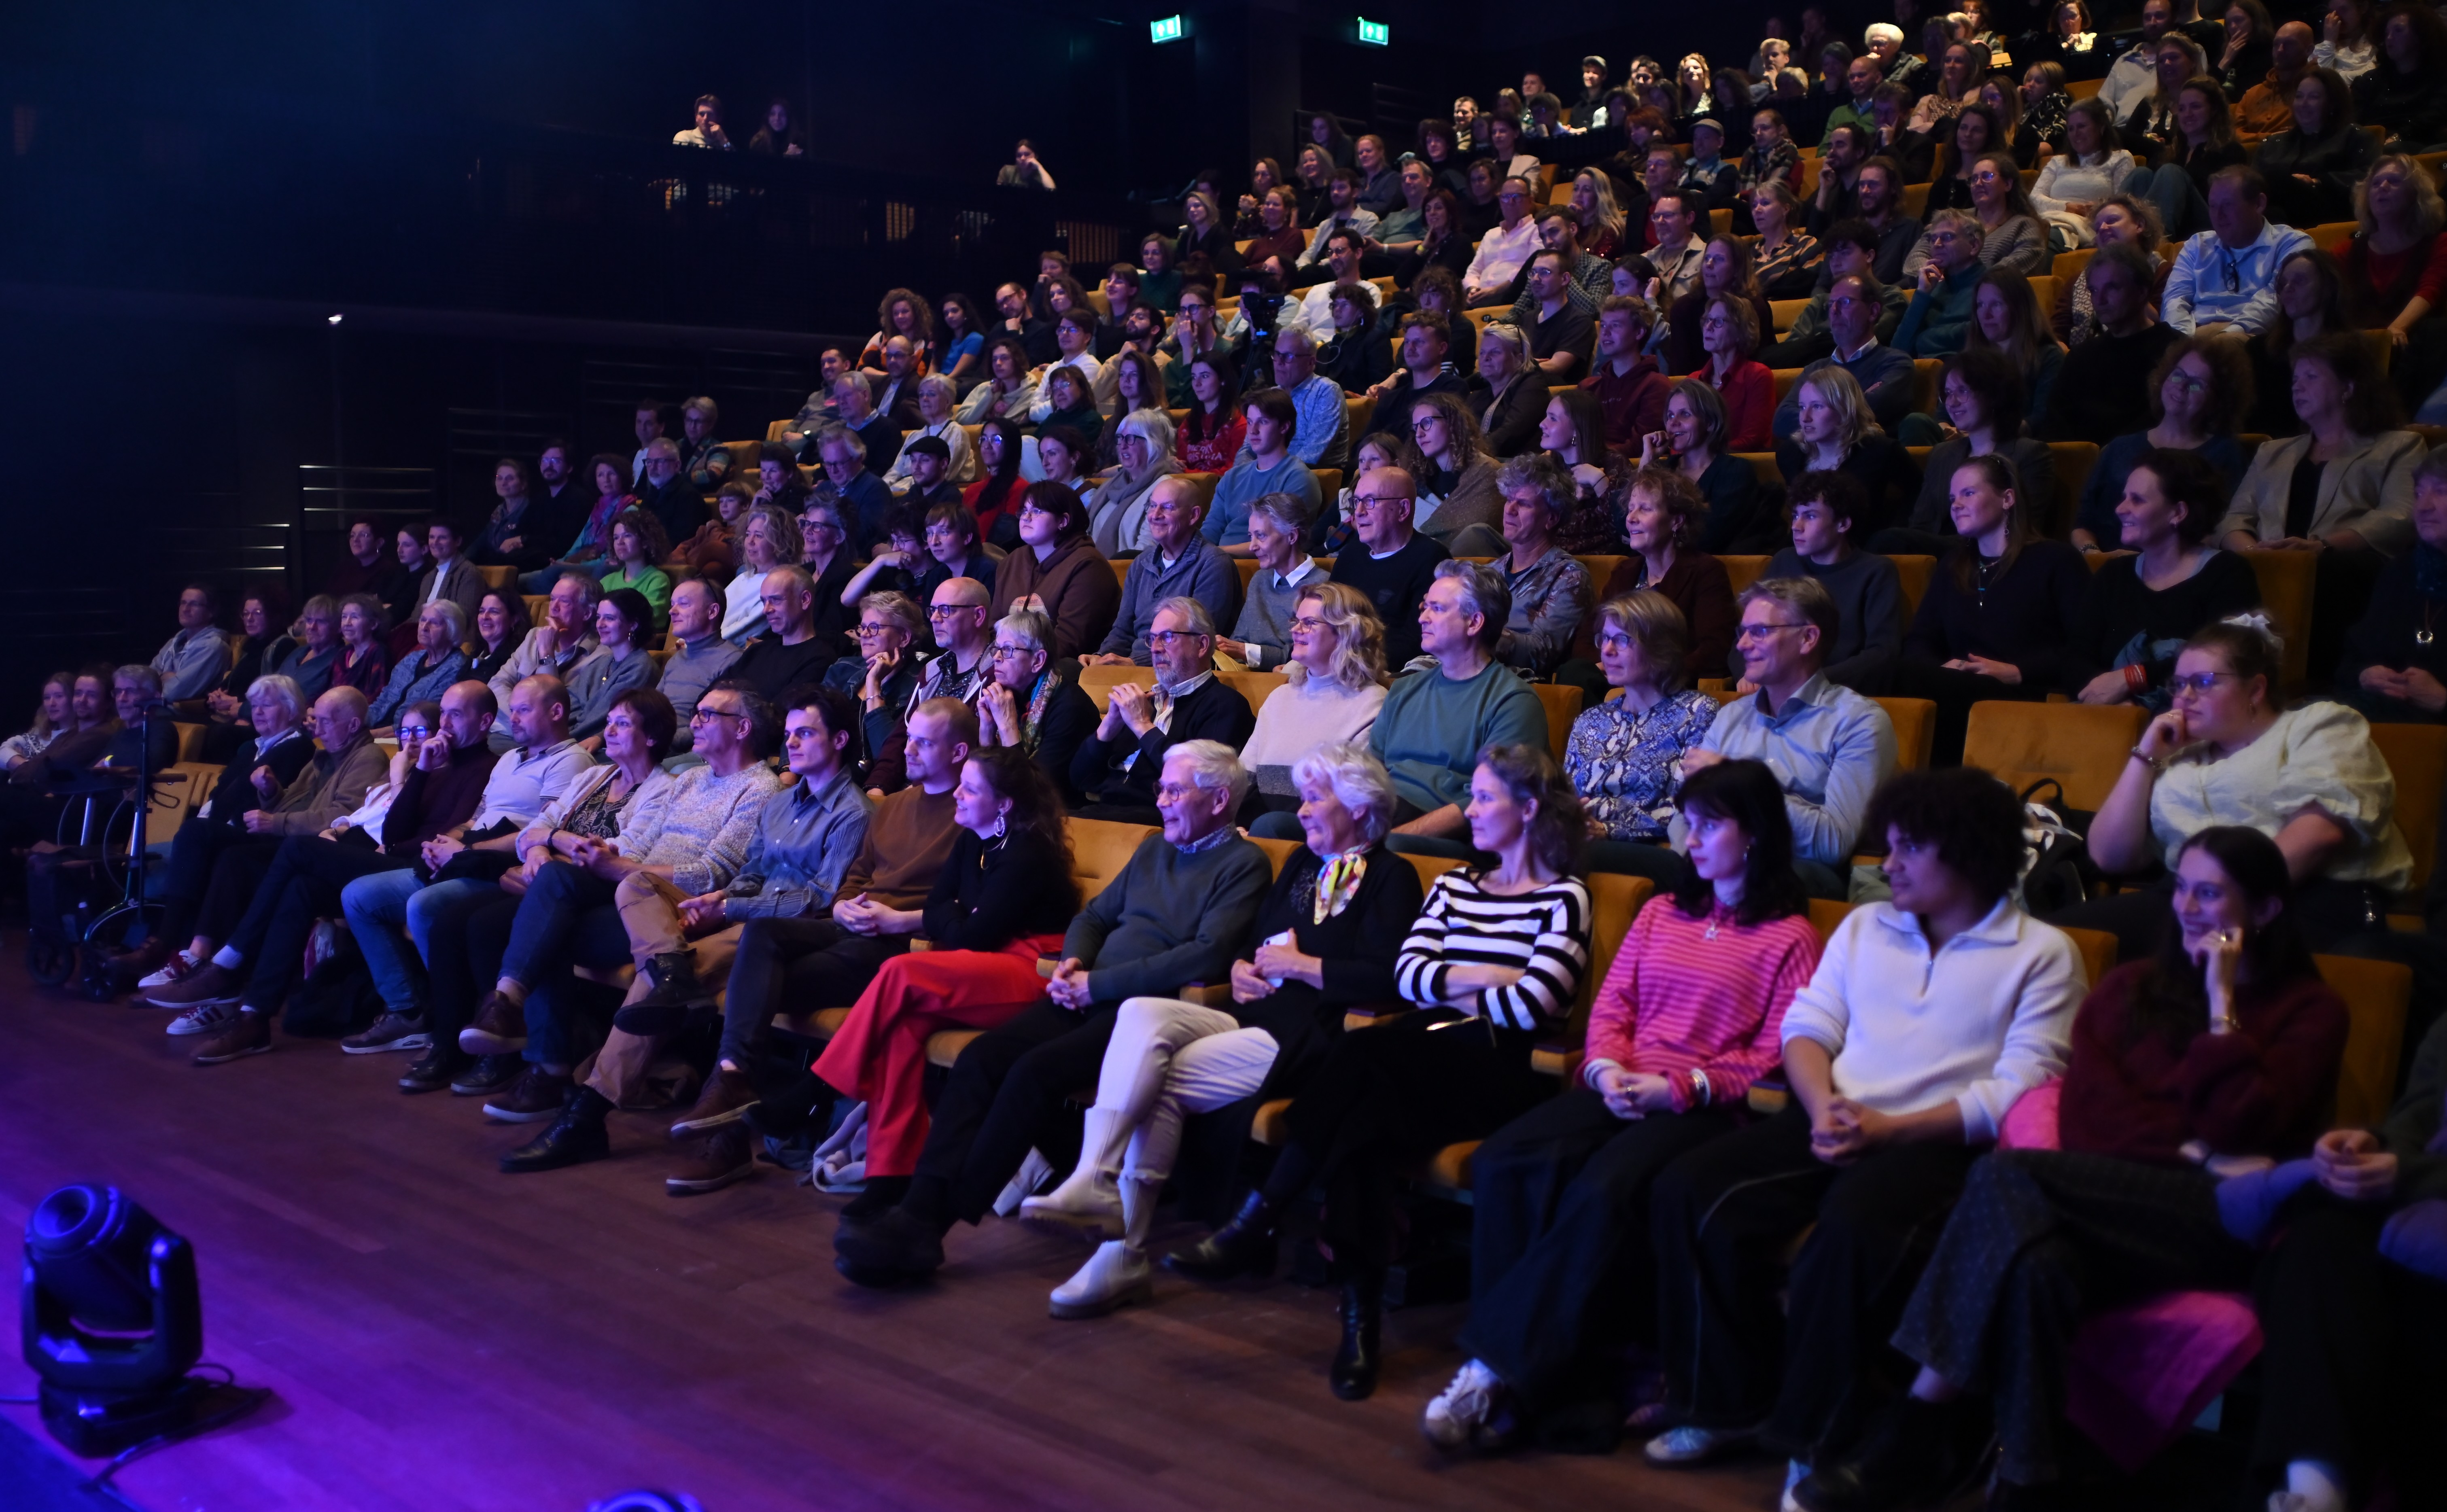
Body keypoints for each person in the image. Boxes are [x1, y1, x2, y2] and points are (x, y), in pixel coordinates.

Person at [1793, 823, 2344, 1510]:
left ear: (2264, 909)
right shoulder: (2129, 991)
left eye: (2210, 893)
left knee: (2003, 1175)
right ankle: (2026, 1483)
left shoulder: (2312, 1012)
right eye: (2181, 888)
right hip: (2108, 1205)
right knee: (2035, 1264)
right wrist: (2197, 1152)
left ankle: (1916, 1426)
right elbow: (2091, 1126)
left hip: (2222, 1225)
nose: (2187, 907)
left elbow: (2241, 1120)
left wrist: (2220, 1008)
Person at [1644, 767, 2082, 1486]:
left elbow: (2022, 1090)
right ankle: (1725, 1401)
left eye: (1909, 848)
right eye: (1889, 845)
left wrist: (1889, 1129)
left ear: (1968, 852)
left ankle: (1814, 1439)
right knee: (1688, 1189)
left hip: (1941, 1146)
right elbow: (1807, 1026)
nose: (1888, 863)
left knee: (1848, 1232)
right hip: (1835, 1113)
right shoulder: (1866, 926)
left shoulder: (2041, 953)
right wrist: (1823, 1107)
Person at [1422, 758, 1822, 1451]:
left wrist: (1684, 1087)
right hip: (1622, 1083)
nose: (1690, 840)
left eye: (1708, 826)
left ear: (1754, 833)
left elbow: (1773, 1052)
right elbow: (1614, 1006)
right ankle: (1551, 1385)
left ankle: (1491, 1373)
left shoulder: (1788, 935)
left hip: (1700, 1108)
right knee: (1506, 1158)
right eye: (1686, 824)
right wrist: (1605, 1065)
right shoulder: (1662, 910)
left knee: (1605, 1187)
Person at [1175, 743, 1594, 1400]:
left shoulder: (1564, 897)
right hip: (1418, 1056)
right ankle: (1357, 1319)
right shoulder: (1455, 884)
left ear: (1530, 808)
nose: (1470, 811)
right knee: (1363, 1121)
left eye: (1485, 798)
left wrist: (1450, 981)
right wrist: (1489, 973)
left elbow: (1535, 1005)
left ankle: (1262, 1220)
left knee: (1363, 1057)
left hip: (1500, 1069)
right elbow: (1408, 976)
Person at [832, 740, 1273, 1287]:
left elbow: (1204, 954)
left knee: (1032, 1073)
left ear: (1219, 800)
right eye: (1160, 788)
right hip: (1085, 991)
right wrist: (1073, 962)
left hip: (1146, 1013)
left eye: (1173, 791)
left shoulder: (1243, 864)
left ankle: (931, 1224)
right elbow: (1094, 917)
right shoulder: (1154, 849)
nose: (1160, 800)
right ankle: (917, 1203)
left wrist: (1097, 984)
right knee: (981, 1059)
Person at [444, 688, 770, 1124]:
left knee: (547, 928)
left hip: (678, 908)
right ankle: (512, 1013)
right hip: (633, 890)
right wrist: (601, 854)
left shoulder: (759, 788)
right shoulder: (692, 778)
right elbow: (639, 843)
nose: (694, 721)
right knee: (551, 897)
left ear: (742, 727)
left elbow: (712, 874)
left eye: (707, 714)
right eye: (695, 713)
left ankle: (543, 1061)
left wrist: (619, 867)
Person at [151, 681, 507, 1059]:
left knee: (299, 849)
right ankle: (255, 1016)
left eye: (456, 715)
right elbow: (394, 829)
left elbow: (431, 838)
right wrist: (419, 771)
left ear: (484, 722)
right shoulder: (433, 766)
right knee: (301, 887)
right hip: (394, 857)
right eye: (444, 714)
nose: (445, 725)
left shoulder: (485, 768)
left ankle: (229, 962)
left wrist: (401, 814)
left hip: (416, 867)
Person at [2062, 618, 2417, 962]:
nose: (2184, 697)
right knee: (2060, 942)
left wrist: (2220, 899)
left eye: (2202, 682)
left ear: (2256, 689)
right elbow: (2108, 856)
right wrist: (2145, 756)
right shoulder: (2177, 754)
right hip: (2181, 900)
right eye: (2178, 684)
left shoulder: (2317, 725)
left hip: (2300, 899)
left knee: (2195, 967)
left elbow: (2319, 835)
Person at [2218, 330, 2420, 677]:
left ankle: (2316, 681)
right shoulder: (2272, 452)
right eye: (2295, 379)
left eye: (2311, 376)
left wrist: (2321, 546)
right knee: (2216, 568)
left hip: (2342, 564)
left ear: (2348, 387)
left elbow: (2399, 517)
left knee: (2328, 572)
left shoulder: (2399, 446)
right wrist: (2254, 552)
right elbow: (2234, 519)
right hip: (2269, 559)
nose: (2297, 387)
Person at [1892, 454, 2097, 761]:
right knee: (1896, 673)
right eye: (1952, 498)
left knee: (1891, 677)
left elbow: (2085, 648)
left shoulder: (2056, 560)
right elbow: (1920, 641)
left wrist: (2018, 672)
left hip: (2024, 692)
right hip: (1957, 688)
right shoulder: (1953, 567)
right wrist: (1946, 667)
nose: (1956, 505)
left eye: (1968, 493)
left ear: (2007, 499)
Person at [2074, 447, 2266, 709]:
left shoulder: (2227, 573)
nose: (2120, 509)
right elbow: (2075, 659)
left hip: (2194, 719)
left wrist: (2133, 679)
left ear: (2178, 512)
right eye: (2124, 497)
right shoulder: (2113, 574)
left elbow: (2225, 661)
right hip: (2110, 715)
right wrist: (2114, 701)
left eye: (2137, 500)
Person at [1562, 591, 1722, 882]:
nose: (1607, 650)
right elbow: (1567, 797)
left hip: (1649, 850)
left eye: (1622, 640)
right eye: (1604, 638)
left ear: (1661, 648)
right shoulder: (1590, 720)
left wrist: (1610, 829)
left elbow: (1687, 809)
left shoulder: (1697, 712)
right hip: (1580, 839)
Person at [1072, 599, 1256, 823]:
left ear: (1202, 645)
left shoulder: (1224, 705)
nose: (1156, 648)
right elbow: (1080, 779)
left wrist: (1142, 726)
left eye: (1167, 637)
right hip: (1104, 812)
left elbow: (1198, 782)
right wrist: (1109, 726)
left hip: (1161, 821)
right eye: (1152, 639)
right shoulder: (1145, 702)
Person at [2075, 335, 2256, 552]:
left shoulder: (2225, 452)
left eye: (2197, 385)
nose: (2182, 387)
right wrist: (2092, 553)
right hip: (2106, 562)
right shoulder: (2119, 448)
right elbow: (2084, 522)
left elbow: (2224, 529)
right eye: (2178, 375)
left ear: (2218, 402)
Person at [1883, 348, 2057, 555]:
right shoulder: (1942, 453)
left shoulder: (2031, 454)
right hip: (1938, 555)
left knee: (1890, 540)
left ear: (1994, 394)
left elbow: (2024, 527)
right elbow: (1921, 524)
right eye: (1948, 394)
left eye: (1962, 391)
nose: (1952, 402)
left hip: (1991, 551)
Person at [1235, 581, 1388, 819]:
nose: (1296, 630)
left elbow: (1349, 798)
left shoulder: (1372, 703)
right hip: (1260, 825)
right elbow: (1243, 780)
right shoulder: (1280, 697)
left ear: (1346, 632)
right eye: (1296, 621)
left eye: (1309, 623)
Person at [1766, 470, 1907, 691]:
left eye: (1810, 516)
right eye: (1795, 515)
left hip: (1841, 692)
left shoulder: (1876, 571)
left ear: (1843, 524)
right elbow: (1747, 632)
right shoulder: (1784, 561)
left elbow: (1882, 653)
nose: (1796, 526)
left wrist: (1809, 683)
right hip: (1775, 686)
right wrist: (1748, 672)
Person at [2336, 445, 2447, 721]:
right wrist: (2365, 675)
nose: (2424, 506)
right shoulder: (2401, 571)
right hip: (2382, 718)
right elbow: (2352, 659)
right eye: (2419, 493)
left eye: (2441, 491)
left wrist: (2443, 700)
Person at [2043, 243, 2186, 441]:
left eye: (2112, 288)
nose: (2099, 300)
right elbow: (2055, 421)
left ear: (2142, 292)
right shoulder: (2081, 357)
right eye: (2094, 290)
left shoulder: (2176, 351)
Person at [1776, 364, 1923, 542]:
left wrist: (1890, 535)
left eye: (1817, 407)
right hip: (1806, 547)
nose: (1805, 417)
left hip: (1861, 548)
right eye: (1802, 407)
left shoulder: (1881, 451)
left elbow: (1919, 491)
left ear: (1844, 409)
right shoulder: (1790, 454)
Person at [2164, 166, 2314, 336]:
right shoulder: (2196, 245)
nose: (2218, 215)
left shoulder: (2291, 244)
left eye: (2228, 205)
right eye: (2213, 206)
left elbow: (2274, 301)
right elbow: (2174, 300)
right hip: (2193, 337)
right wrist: (2181, 340)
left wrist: (2230, 335)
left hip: (2252, 338)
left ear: (2259, 204)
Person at [1327, 466, 1453, 668]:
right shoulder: (1350, 554)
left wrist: (1348, 661)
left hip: (1384, 672)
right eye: (1357, 502)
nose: (1359, 512)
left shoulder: (1432, 558)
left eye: (1370, 501)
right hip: (1336, 661)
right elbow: (1325, 616)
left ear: (1403, 510)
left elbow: (1416, 641)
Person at [1486, 455, 1596, 680]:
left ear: (1551, 519)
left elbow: (1541, 652)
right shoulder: (1489, 572)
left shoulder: (1569, 576)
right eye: (1509, 500)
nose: (1510, 510)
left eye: (1523, 504)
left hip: (1517, 682)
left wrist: (1474, 632)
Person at [986, 481, 1121, 661]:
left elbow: (1068, 642)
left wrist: (1016, 664)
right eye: (1024, 511)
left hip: (1063, 669)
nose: (1026, 518)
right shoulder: (1011, 562)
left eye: (1037, 511)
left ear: (1063, 521)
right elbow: (994, 628)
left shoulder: (1088, 566)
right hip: (1008, 662)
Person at [1770, 269, 1918, 433]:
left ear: (1873, 311)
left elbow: (1869, 411)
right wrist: (1856, 401)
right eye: (1831, 304)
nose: (1834, 311)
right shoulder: (1815, 369)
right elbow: (1782, 420)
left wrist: (1816, 412)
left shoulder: (1896, 363)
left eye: (1845, 302)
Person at [2261, 66, 2379, 228]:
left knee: (2278, 180)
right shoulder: (2273, 143)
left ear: (2332, 104)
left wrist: (2319, 181)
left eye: (2314, 97)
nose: (2303, 104)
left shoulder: (2355, 137)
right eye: (2299, 97)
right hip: (2278, 214)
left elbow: (2369, 177)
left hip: (2326, 210)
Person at [1219, 495, 1324, 672]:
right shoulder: (1260, 579)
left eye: (1261, 536)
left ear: (1292, 537)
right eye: (1251, 536)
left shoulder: (1323, 586)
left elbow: (1301, 656)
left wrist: (1244, 651)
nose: (1252, 547)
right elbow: (1238, 640)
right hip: (1246, 676)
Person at [2033, 98, 2139, 241]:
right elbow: (2034, 199)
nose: (2075, 133)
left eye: (2082, 126)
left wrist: (2099, 208)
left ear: (2101, 128)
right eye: (2071, 129)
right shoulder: (2057, 162)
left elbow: (2123, 206)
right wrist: (2068, 207)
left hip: (2085, 227)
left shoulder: (2121, 158)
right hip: (2046, 222)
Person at [1579, 295, 1671, 453]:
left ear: (1639, 332)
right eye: (1603, 325)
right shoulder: (1588, 387)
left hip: (1626, 466)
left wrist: (1594, 458)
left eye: (1615, 326)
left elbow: (1641, 445)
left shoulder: (1656, 386)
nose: (1605, 332)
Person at [1893, 212, 1990, 358]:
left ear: (1974, 246)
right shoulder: (1932, 288)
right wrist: (1922, 294)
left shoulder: (1991, 287)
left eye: (1948, 237)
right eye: (1933, 239)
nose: (1937, 244)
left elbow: (1978, 334)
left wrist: (1922, 339)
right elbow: (1898, 348)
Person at [368, 601, 471, 731]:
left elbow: (429, 718)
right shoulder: (412, 658)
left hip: (409, 735)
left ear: (452, 630)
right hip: (376, 730)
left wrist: (374, 735)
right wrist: (358, 723)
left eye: (434, 623)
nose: (424, 627)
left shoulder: (457, 667)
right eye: (423, 620)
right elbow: (383, 700)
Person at [2354, 4, 2447, 148]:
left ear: (2421, 36)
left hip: (2418, 146)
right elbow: (2354, 121)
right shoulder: (2369, 81)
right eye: (2387, 33)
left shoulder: (2440, 78)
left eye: (2398, 30)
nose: (2389, 38)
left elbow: (2433, 116)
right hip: (2370, 146)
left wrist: (2399, 137)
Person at [150, 584, 235, 703]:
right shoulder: (174, 642)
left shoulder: (213, 646)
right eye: (183, 603)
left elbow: (174, 693)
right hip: (157, 705)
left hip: (182, 711)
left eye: (194, 604)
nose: (186, 609)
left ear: (211, 612)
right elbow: (146, 680)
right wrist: (167, 677)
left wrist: (160, 679)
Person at [467, 590, 528, 689]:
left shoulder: (514, 662)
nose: (485, 617)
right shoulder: (476, 654)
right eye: (482, 611)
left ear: (514, 620)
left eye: (494, 612)